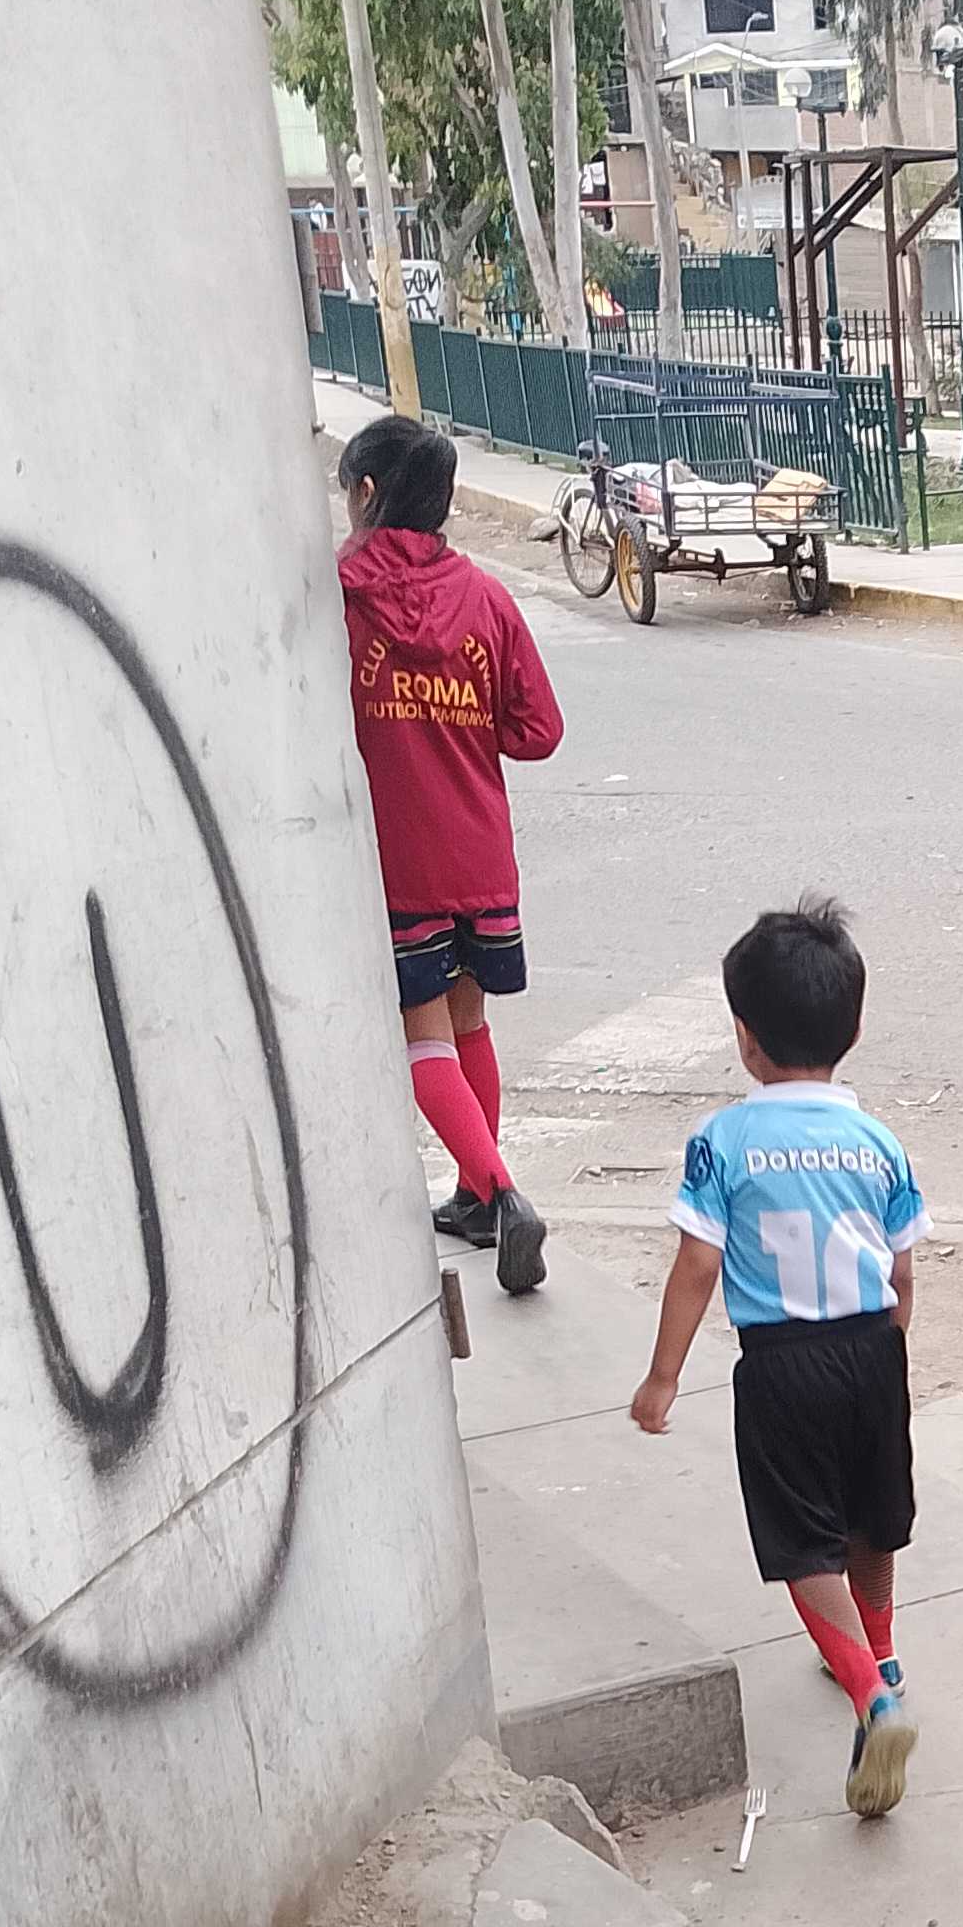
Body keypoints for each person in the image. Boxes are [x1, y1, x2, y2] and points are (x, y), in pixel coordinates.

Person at [630, 901, 923, 1819]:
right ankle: (881, 1657)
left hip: (782, 1364)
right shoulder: (878, 1142)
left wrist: (664, 1376)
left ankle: (872, 1698)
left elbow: (697, 1265)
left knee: (803, 1544)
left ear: (745, 1037)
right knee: (872, 1521)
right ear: (854, 1031)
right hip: (872, 1348)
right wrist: (888, 1353)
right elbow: (902, 1270)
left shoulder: (723, 1142)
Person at [336, 413, 561, 1297]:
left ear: (366, 492)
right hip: (481, 852)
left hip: (404, 859)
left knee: (423, 1036)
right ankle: (474, 1193)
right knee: (470, 1026)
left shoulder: (338, 596)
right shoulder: (487, 599)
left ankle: (501, 1195)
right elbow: (538, 731)